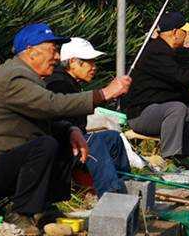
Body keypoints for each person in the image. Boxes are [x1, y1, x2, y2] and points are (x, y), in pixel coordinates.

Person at [0, 23, 131, 236]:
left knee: (60, 140)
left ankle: (43, 207)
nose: (57, 56)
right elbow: (51, 104)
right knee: (45, 144)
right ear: (32, 52)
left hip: (7, 165)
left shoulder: (28, 77)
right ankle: (22, 213)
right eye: (53, 50)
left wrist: (71, 130)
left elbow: (45, 117)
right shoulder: (14, 76)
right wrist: (103, 94)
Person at [121, 11, 189, 160]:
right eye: (185, 32)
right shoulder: (156, 52)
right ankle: (171, 157)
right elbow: (178, 76)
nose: (187, 35)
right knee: (176, 108)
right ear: (175, 32)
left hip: (159, 109)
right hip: (141, 115)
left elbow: (171, 84)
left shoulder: (166, 52)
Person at [45, 38, 130, 197]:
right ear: (72, 62)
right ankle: (111, 195)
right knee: (93, 141)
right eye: (89, 62)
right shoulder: (58, 83)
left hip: (74, 140)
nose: (94, 67)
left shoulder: (70, 82)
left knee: (113, 138)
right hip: (61, 146)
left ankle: (126, 183)